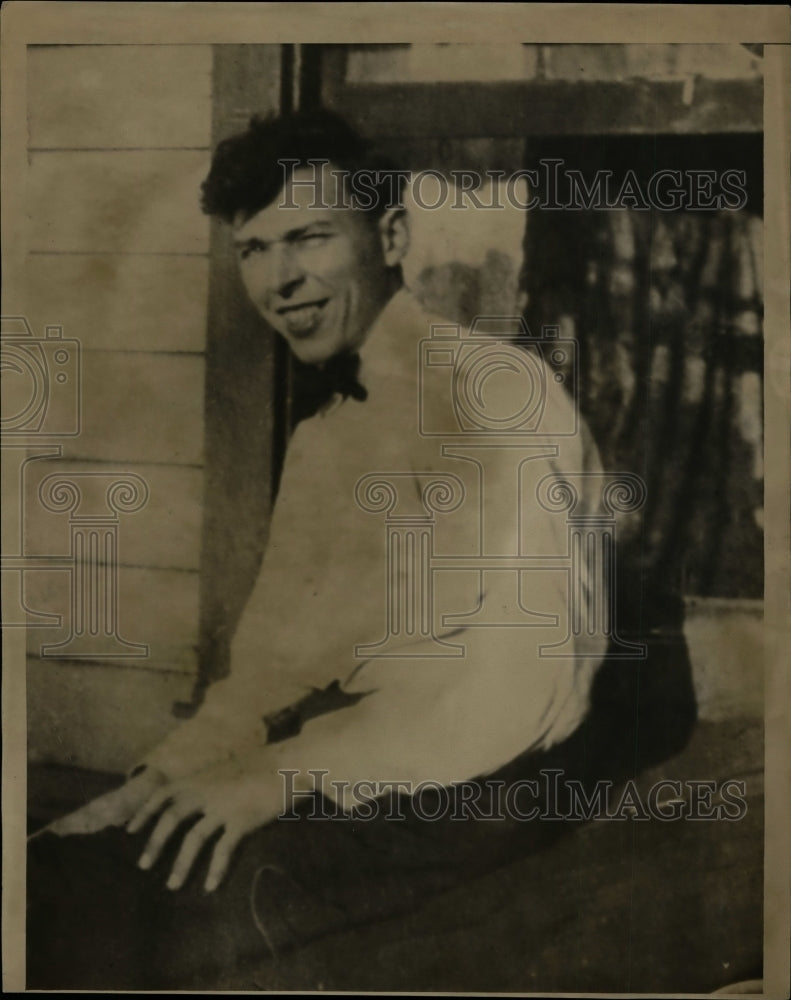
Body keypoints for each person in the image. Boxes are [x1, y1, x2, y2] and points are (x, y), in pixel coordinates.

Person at [26, 110, 695, 990]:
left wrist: (284, 774)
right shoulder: (328, 432)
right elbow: (273, 667)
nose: (280, 281)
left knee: (113, 913)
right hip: (372, 755)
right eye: (253, 248)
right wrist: (152, 781)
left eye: (308, 237)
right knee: (66, 866)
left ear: (388, 236)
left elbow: (530, 688)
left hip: (486, 777)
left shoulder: (492, 394)